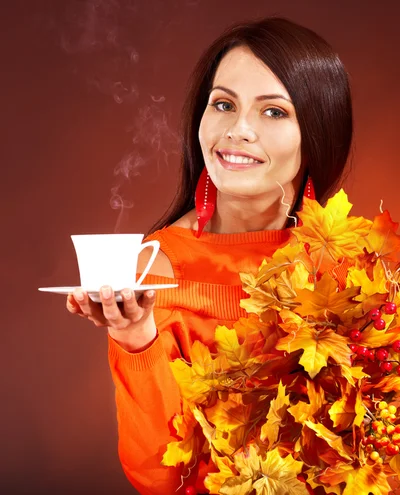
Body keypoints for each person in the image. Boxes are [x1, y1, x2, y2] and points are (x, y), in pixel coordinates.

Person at [66, 16, 354, 495]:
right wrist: (135, 336)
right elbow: (160, 478)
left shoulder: (346, 264)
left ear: (319, 130)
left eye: (274, 112)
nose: (237, 130)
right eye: (223, 104)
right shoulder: (156, 267)